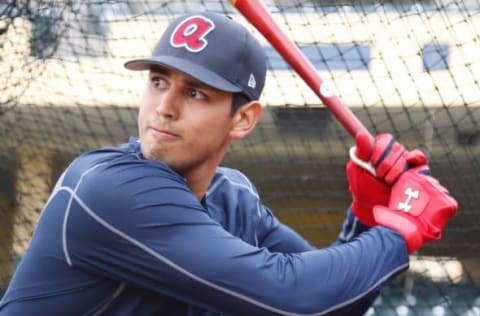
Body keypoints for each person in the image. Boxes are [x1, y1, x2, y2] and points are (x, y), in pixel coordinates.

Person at [0, 12, 457, 315]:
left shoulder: (233, 200)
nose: (165, 106)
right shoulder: (107, 188)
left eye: (195, 92)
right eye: (159, 81)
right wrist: (399, 228)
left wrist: (365, 215)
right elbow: (297, 297)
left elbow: (334, 300)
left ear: (242, 119)